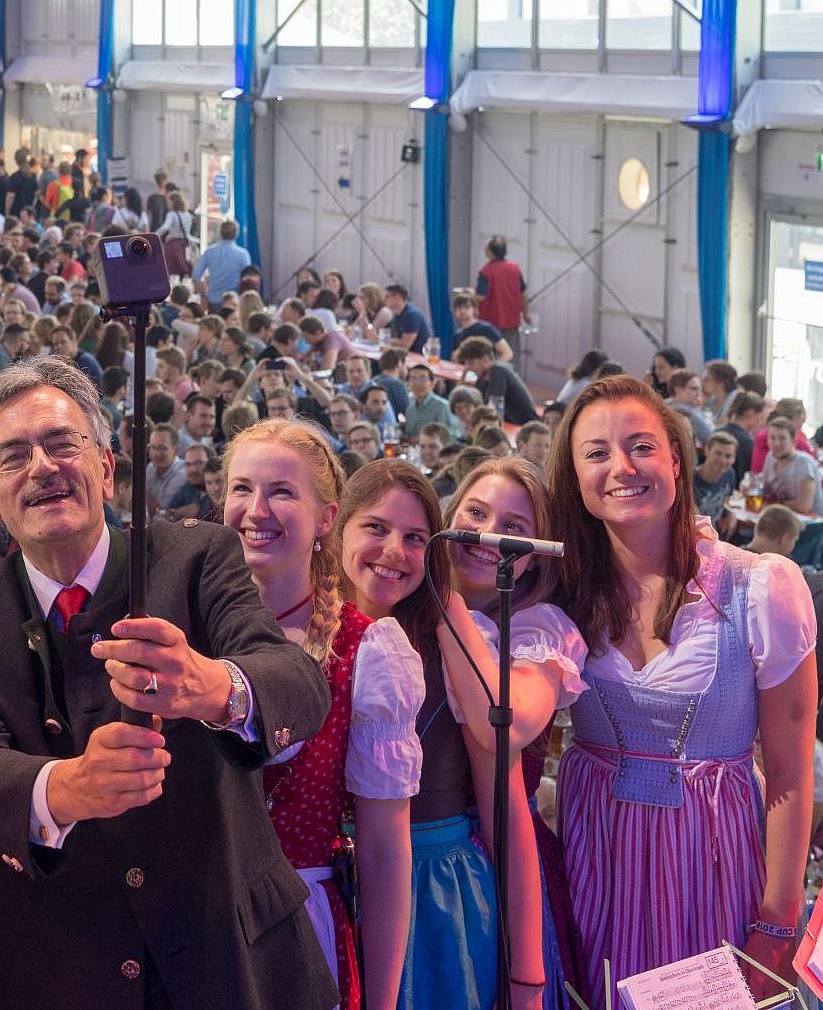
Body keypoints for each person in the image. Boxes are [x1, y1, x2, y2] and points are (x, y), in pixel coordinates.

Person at [0, 356, 336, 1009]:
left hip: (227, 959)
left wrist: (213, 686)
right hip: (58, 971)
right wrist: (68, 788)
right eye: (13, 456)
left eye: (61, 444)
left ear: (106, 469)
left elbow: (297, 683)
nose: (43, 467)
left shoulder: (195, 558)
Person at [549, 375, 816, 999]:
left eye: (641, 446)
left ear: (676, 457)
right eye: (596, 453)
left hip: (713, 863)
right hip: (598, 860)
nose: (621, 467)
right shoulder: (557, 589)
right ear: (574, 479)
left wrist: (776, 922)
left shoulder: (760, 588)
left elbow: (790, 772)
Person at [220, 419, 422, 1010]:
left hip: (300, 928)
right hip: (189, 924)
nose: (256, 509)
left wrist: (382, 1002)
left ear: (327, 517)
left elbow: (385, 852)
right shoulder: (184, 628)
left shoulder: (368, 649)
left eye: (281, 491)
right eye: (240, 488)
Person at [334, 459, 546, 1010]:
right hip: (324, 890)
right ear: (337, 526)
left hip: (436, 898)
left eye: (414, 538)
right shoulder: (305, 626)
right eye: (376, 527)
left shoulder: (456, 641)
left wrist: (527, 973)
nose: (392, 550)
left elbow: (507, 810)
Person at [443, 458, 589, 1008]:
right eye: (476, 513)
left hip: (504, 866)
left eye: (516, 528)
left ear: (535, 556)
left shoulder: (539, 630)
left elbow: (506, 723)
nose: (489, 536)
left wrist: (446, 605)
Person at [455, 336, 538, 426]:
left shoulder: (498, 371)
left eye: (471, 363)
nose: (468, 368)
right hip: (508, 425)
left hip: (524, 428)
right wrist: (463, 376)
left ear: (485, 359)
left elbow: (493, 408)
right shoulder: (481, 380)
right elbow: (464, 400)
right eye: (466, 364)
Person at [474, 236, 528, 350]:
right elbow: (523, 293)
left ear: (490, 251)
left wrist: (470, 293)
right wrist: (526, 313)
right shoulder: (515, 268)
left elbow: (480, 296)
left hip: (490, 321)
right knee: (511, 354)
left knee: (489, 354)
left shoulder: (486, 271)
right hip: (512, 320)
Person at [191, 219, 253, 309]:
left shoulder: (209, 252)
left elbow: (196, 275)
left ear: (220, 232)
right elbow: (248, 279)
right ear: (236, 234)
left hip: (213, 299)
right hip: (234, 300)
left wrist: (203, 295)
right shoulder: (243, 254)